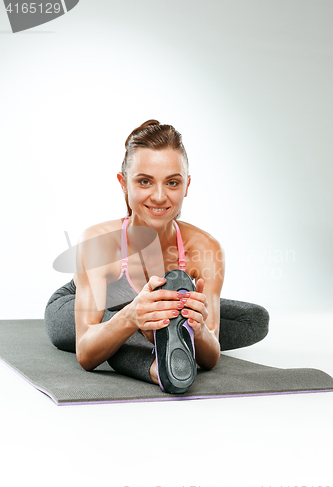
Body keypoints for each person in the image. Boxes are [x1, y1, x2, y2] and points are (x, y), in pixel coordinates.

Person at [44, 120, 269, 389]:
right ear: (124, 184)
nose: (160, 196)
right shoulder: (98, 243)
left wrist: (198, 330)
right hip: (73, 305)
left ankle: (162, 327)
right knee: (110, 322)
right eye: (144, 181)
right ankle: (155, 366)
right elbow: (86, 353)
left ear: (186, 185)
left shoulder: (206, 248)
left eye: (172, 182)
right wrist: (132, 316)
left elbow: (211, 357)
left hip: (155, 309)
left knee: (254, 319)